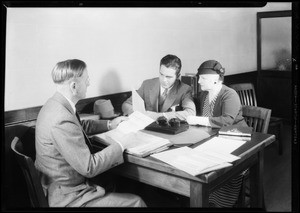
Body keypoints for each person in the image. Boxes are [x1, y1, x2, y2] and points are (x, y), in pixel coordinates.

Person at [35, 59, 146, 207]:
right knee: (136, 202)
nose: (89, 84)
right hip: (69, 196)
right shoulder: (61, 119)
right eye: (87, 80)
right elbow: (89, 167)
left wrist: (110, 124)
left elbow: (78, 126)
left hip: (57, 185)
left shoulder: (54, 105)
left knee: (116, 182)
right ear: (74, 86)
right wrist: (122, 144)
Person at [187, 60, 248, 208]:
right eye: (199, 77)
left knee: (221, 169)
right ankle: (201, 196)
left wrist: (198, 119)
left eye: (203, 78)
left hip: (237, 139)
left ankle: (218, 202)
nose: (199, 81)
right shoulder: (204, 95)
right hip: (216, 139)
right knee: (197, 162)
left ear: (215, 79)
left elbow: (227, 121)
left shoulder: (229, 94)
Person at [122, 54, 196, 121]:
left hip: (169, 132)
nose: (164, 80)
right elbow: (126, 104)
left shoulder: (185, 89)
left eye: (168, 77)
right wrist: (138, 114)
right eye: (161, 74)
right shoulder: (147, 84)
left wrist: (161, 116)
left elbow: (191, 113)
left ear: (178, 76)